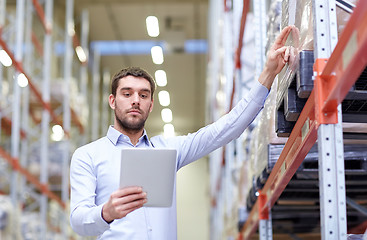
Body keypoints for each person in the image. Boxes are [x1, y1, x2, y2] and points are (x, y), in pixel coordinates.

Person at [70, 25, 293, 239]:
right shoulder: (88, 155)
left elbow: (226, 129)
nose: (136, 100)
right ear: (112, 100)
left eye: (144, 95)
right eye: (127, 94)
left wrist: (268, 74)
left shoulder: (168, 150)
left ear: (151, 104)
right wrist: (106, 212)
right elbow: (78, 220)